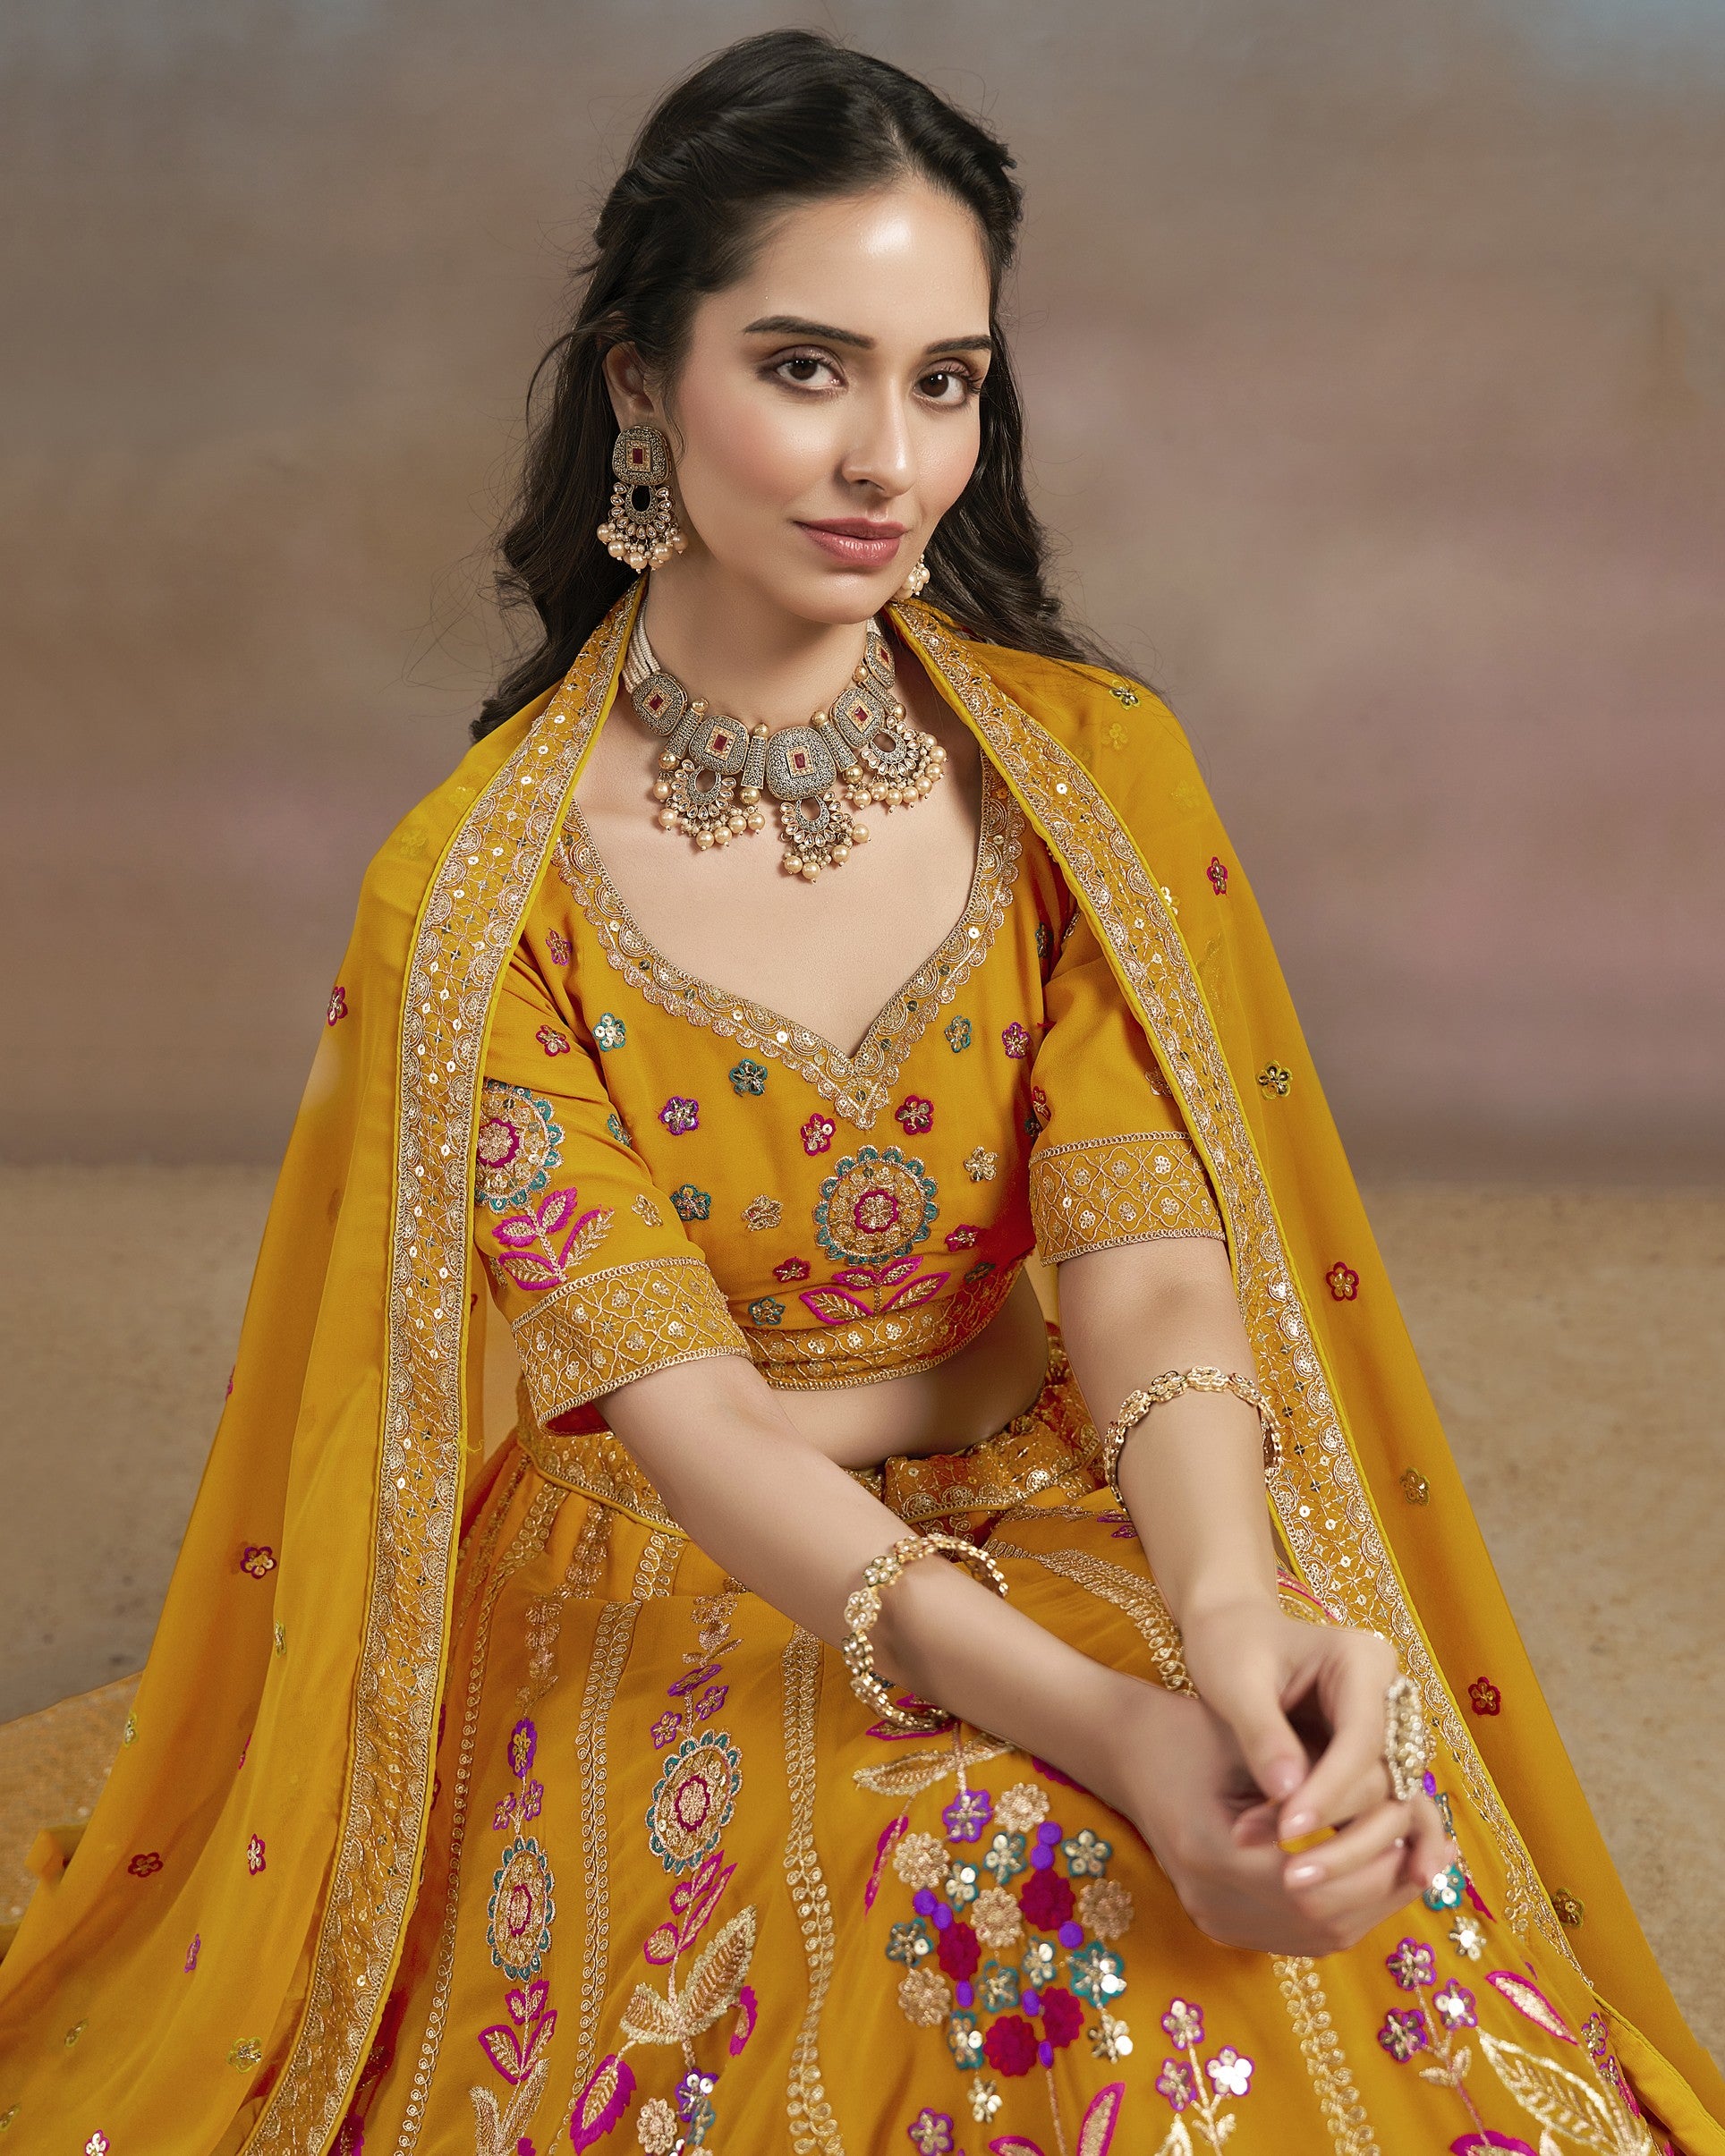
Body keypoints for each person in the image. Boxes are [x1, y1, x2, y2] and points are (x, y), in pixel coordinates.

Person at [1, 29, 1719, 2156]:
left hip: (1064, 1469)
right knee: (970, 1883)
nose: (887, 458)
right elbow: (703, 1424)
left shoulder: (1082, 777)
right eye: (805, 366)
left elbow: (1153, 1270)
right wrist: (1096, 1719)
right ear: (640, 377)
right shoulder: (477, 890)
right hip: (674, 1549)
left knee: (1316, 1872)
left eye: (945, 378)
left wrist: (1225, 1624)